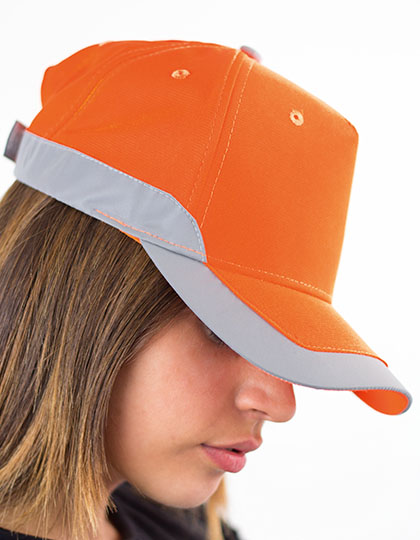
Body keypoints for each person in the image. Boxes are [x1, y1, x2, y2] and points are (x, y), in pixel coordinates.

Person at [0, 39, 412, 540]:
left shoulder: (192, 529)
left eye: (283, 344)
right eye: (225, 327)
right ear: (77, 296)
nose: (281, 404)